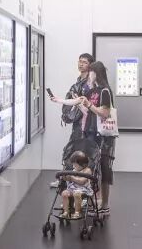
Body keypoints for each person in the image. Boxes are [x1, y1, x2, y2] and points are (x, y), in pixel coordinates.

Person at [48, 53, 94, 187]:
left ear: (90, 65)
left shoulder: (90, 83)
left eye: (84, 62)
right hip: (78, 123)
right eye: (80, 61)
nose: (81, 64)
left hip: (87, 124)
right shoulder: (79, 80)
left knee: (79, 152)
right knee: (72, 150)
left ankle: (76, 181)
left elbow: (83, 102)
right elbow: (72, 99)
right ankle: (66, 180)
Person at [78, 61, 116, 216]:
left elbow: (105, 113)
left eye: (91, 72)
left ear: (97, 73)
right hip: (91, 134)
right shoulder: (91, 90)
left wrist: (89, 106)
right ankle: (95, 201)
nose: (89, 75)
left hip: (104, 137)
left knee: (104, 169)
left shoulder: (105, 91)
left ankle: (104, 204)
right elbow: (86, 108)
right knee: (92, 168)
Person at [61, 151, 93, 219]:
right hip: (72, 189)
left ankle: (77, 212)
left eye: (75, 165)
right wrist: (64, 176)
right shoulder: (74, 170)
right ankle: (66, 212)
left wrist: (72, 178)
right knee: (64, 193)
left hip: (83, 189)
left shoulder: (87, 170)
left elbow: (82, 182)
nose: (73, 166)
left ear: (83, 164)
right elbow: (68, 179)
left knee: (76, 194)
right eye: (73, 165)